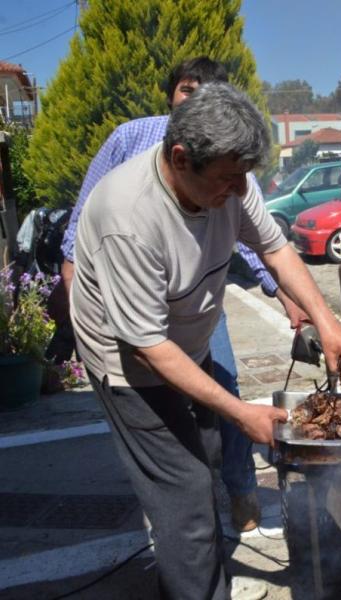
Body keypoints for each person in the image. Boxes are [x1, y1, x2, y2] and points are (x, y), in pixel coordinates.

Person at [70, 81, 341, 599]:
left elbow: (275, 251)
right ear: (180, 158)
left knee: (204, 463)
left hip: (187, 340)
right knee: (182, 498)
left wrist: (327, 320)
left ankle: (198, 565)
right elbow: (148, 347)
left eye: (242, 178)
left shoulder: (231, 179)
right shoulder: (128, 217)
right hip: (131, 365)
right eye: (227, 180)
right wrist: (239, 411)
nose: (237, 191)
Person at [59, 57, 306, 532]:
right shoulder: (129, 171)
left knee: (214, 422)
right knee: (184, 487)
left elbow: (264, 245)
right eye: (189, 89)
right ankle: (193, 538)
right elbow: (145, 343)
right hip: (132, 338)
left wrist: (312, 311)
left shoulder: (232, 165)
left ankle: (231, 499)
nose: (197, 98)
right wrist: (77, 311)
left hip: (195, 306)